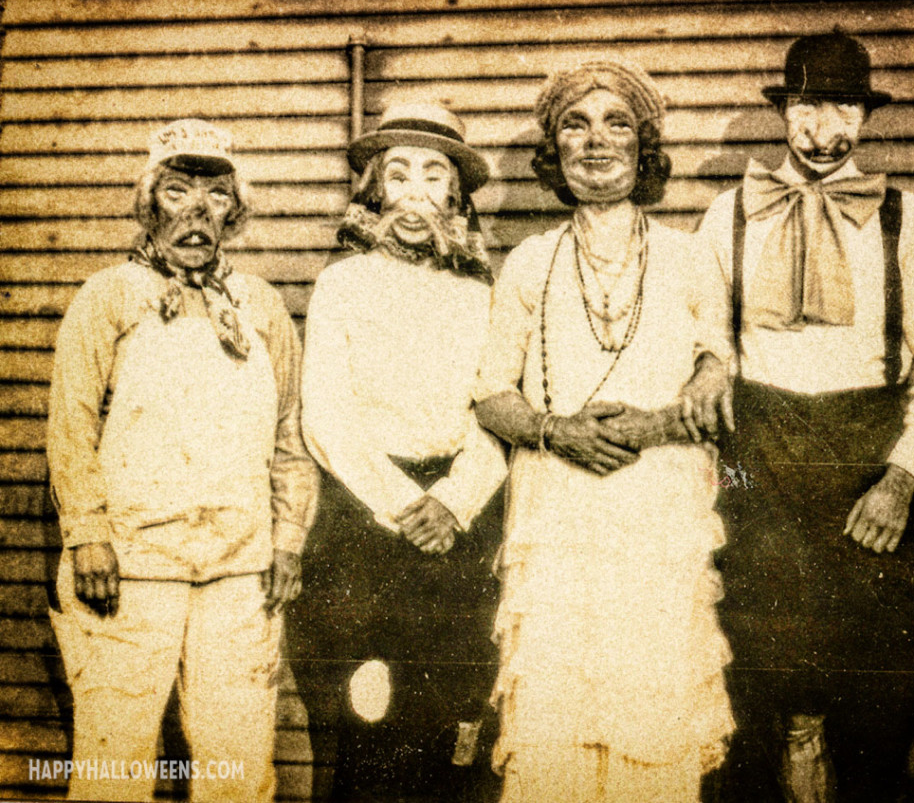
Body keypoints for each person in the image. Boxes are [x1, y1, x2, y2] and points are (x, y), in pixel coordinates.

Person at [698, 31, 914, 802]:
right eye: (807, 108)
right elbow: (704, 332)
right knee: (773, 590)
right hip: (763, 448)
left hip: (870, 451)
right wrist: (709, 360)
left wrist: (901, 479)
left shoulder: (905, 218)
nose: (823, 130)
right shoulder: (728, 214)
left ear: (865, 117)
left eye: (843, 108)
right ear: (784, 112)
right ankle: (800, 733)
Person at [473, 60, 736, 803]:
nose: (595, 142)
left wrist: (693, 388)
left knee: (651, 721)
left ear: (644, 145)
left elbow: (719, 371)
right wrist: (556, 431)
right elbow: (490, 394)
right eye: (575, 125)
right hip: (556, 514)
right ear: (553, 150)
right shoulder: (530, 262)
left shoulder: (690, 257)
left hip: (657, 514)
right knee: (553, 728)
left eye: (617, 123)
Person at [46, 119, 319, 802]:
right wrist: (87, 536)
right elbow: (71, 427)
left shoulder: (261, 307)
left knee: (238, 767)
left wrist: (287, 542)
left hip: (240, 569)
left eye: (216, 195)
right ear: (149, 203)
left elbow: (291, 436)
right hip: (129, 567)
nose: (197, 212)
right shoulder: (108, 296)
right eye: (177, 191)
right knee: (113, 764)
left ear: (236, 210)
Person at [289, 103, 508, 801]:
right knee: (366, 722)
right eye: (399, 175)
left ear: (456, 195)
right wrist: (406, 505)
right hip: (365, 524)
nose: (416, 195)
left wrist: (453, 501)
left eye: (434, 176)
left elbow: (497, 409)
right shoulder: (343, 285)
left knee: (454, 720)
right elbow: (327, 415)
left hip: (459, 528)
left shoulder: (481, 292)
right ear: (376, 190)